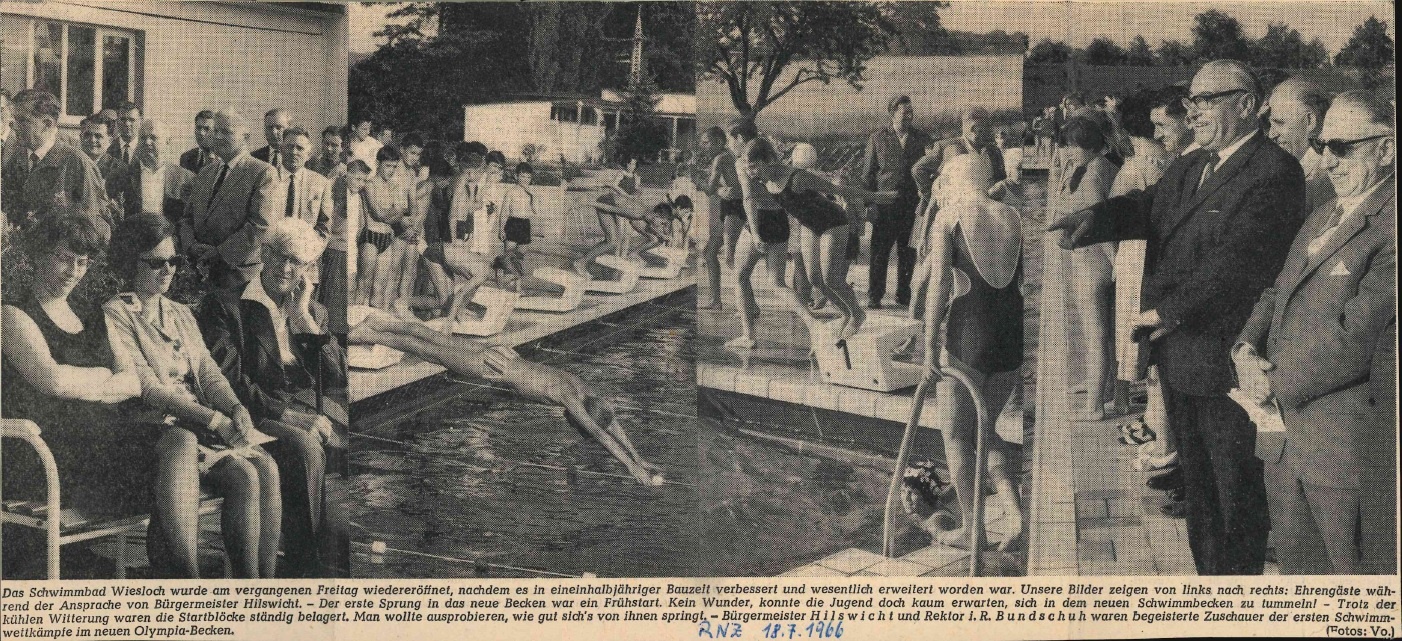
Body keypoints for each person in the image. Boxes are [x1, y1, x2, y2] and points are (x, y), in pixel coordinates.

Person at [1049, 59, 1307, 575]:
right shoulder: (1193, 164)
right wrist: (1095, 217)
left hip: (1225, 362)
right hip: (1180, 357)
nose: (1194, 112)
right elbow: (1148, 206)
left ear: (1246, 105)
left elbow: (1239, 263)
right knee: (1201, 496)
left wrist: (1167, 311)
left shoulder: (1274, 170)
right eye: (1192, 101)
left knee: (1235, 498)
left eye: (1206, 101)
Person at [1234, 90, 1396, 575]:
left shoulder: (1390, 225)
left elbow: (1354, 340)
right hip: (1286, 447)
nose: (1327, 161)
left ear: (1386, 149)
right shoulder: (1324, 214)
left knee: (1355, 590)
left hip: (1343, 453)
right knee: (1301, 585)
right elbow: (1277, 291)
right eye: (1322, 146)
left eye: (1342, 148)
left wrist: (1269, 382)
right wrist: (1244, 347)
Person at [103, 213, 282, 578]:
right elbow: (148, 387)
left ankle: (259, 589)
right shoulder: (116, 313)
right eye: (156, 262)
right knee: (245, 475)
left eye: (173, 260)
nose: (167, 270)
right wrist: (214, 419)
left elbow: (208, 372)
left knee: (265, 467)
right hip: (158, 426)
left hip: (199, 423)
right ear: (130, 262)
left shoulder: (180, 313)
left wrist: (235, 407)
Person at [347, 306, 663, 487]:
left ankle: (378, 323)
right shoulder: (572, 397)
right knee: (428, 350)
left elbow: (611, 424)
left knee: (434, 339)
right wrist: (630, 467)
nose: (573, 424)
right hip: (493, 367)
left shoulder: (587, 392)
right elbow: (600, 432)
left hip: (504, 355)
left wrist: (639, 459)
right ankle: (367, 333)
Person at [0, 214, 151, 577]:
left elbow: (134, 382)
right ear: (39, 254)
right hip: (49, 455)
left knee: (179, 447)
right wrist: (104, 377)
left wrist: (87, 384)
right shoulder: (13, 314)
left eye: (82, 262)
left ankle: (178, 571)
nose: (74, 271)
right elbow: (52, 381)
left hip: (104, 445)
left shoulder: (94, 315)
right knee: (174, 459)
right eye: (64, 259)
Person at [196, 217, 344, 578]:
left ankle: (324, 559)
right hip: (255, 411)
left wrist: (302, 318)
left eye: (297, 262)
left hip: (307, 409)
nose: (286, 269)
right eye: (280, 256)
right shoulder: (227, 305)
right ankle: (305, 568)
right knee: (305, 447)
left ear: (307, 269)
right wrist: (289, 415)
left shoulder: (312, 310)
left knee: (347, 443)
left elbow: (336, 376)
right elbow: (230, 379)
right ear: (264, 253)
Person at [916, 154, 1027, 552]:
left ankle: (972, 529)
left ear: (953, 180)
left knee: (957, 435)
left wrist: (929, 346)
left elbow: (938, 287)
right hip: (1010, 335)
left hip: (969, 334)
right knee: (986, 428)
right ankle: (1014, 513)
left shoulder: (949, 217)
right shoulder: (1013, 216)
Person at [743, 138, 896, 340]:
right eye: (748, 168)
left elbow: (839, 190)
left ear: (767, 161)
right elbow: (750, 200)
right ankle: (846, 312)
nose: (751, 172)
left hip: (833, 222)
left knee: (831, 279)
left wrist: (877, 197)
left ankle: (857, 314)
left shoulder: (797, 178)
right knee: (815, 279)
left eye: (754, 166)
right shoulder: (764, 181)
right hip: (810, 226)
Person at [1049, 118, 1119, 421]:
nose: (1068, 152)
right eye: (1067, 146)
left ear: (1089, 145)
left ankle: (1094, 406)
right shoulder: (1102, 166)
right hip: (1097, 261)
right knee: (1109, 334)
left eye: (1073, 146)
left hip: (1093, 263)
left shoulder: (1091, 176)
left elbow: (1101, 226)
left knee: (1095, 335)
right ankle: (1107, 389)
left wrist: (1115, 265)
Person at [181, 109, 277, 289]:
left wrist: (219, 253)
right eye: (215, 131)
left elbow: (260, 226)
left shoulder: (263, 173)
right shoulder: (206, 172)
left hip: (236, 277)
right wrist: (191, 246)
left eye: (226, 132)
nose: (217, 137)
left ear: (245, 137)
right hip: (199, 272)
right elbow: (187, 218)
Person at [912, 107, 1006, 275]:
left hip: (983, 217)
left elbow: (1001, 181)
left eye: (983, 128)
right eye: (974, 128)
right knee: (935, 271)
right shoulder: (947, 147)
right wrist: (936, 195)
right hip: (950, 215)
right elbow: (918, 170)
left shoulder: (994, 151)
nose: (978, 133)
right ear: (966, 127)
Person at [1, 90, 107, 234]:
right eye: (14, 119)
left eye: (22, 121)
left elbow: (94, 226)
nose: (13, 126)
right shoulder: (17, 158)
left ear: (47, 124)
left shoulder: (77, 162)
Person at [861, 95, 930, 309]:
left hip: (913, 207)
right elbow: (868, 175)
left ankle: (903, 294)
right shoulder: (877, 138)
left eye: (911, 112)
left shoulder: (922, 138)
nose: (909, 116)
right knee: (879, 252)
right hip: (884, 207)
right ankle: (875, 295)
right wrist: (869, 204)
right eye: (904, 112)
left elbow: (929, 170)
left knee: (908, 252)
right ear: (893, 113)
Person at [726, 119, 790, 349]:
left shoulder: (742, 162)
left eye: (730, 140)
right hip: (780, 219)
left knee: (740, 277)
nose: (730, 145)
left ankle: (748, 336)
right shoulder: (771, 155)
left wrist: (755, 233)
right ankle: (812, 324)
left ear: (740, 138)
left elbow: (749, 198)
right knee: (778, 283)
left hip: (760, 219)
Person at [1266, 77, 1336, 213]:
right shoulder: (1289, 169)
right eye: (1270, 125)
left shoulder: (1323, 180)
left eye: (1280, 123)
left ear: (1310, 121)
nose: (1271, 134)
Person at [322, 160, 370, 342]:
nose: (361, 184)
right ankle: (331, 337)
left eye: (364, 180)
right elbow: (332, 225)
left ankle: (343, 335)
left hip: (351, 251)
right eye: (358, 179)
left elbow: (360, 227)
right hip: (336, 250)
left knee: (348, 292)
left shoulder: (357, 197)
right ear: (347, 175)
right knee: (333, 297)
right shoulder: (337, 192)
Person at [697, 126, 745, 309]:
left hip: (728, 211)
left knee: (716, 254)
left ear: (718, 142)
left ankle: (719, 301)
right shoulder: (728, 156)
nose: (703, 146)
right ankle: (716, 300)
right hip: (728, 210)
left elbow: (710, 189)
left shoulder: (721, 158)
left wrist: (694, 177)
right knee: (714, 254)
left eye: (706, 142)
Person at [575, 156, 645, 276]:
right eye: (630, 164)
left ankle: (617, 258)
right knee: (616, 236)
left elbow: (637, 190)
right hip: (611, 204)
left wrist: (636, 193)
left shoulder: (636, 178)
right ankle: (608, 258)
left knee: (621, 236)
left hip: (620, 205)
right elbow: (613, 186)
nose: (631, 166)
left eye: (634, 164)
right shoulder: (621, 174)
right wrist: (626, 195)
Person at [117, 119, 195, 226]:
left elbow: (191, 218)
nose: (147, 142)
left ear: (167, 141)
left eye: (153, 138)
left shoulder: (186, 178)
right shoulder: (122, 176)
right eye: (143, 138)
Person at [272, 127, 332, 235]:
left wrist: (309, 245)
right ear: (281, 149)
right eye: (289, 147)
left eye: (300, 148)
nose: (294, 152)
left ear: (308, 155)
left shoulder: (321, 183)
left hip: (307, 244)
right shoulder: (267, 178)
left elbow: (324, 227)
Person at [497, 161, 537, 289]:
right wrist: (501, 229)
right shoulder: (511, 192)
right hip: (513, 223)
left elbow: (536, 210)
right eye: (522, 176)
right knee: (508, 256)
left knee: (520, 257)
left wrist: (532, 195)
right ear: (516, 176)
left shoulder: (531, 193)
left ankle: (517, 287)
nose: (525, 179)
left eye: (528, 177)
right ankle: (501, 276)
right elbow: (504, 212)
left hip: (525, 224)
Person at [80, 114, 127, 201]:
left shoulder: (120, 170)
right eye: (87, 135)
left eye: (98, 136)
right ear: (80, 137)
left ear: (110, 140)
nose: (92, 140)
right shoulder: (71, 164)